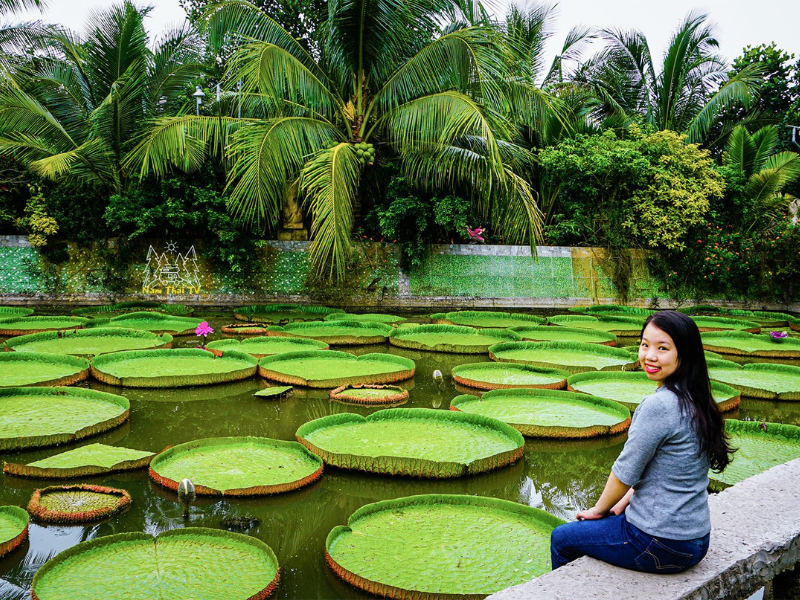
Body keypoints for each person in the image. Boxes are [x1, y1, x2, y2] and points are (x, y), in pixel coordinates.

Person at [550, 310, 735, 574]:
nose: (649, 355)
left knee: (562, 538)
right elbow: (664, 470)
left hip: (660, 544)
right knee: (616, 515)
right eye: (645, 344)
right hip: (696, 540)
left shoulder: (659, 405)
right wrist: (623, 502)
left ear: (685, 353)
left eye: (663, 348)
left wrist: (597, 510)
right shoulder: (697, 397)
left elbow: (625, 472)